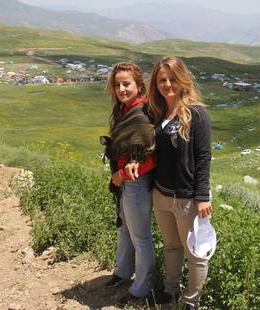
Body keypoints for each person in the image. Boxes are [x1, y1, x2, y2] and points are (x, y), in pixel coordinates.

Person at [148, 56, 212, 310]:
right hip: (161, 194)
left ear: (183, 79)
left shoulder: (197, 113)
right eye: (162, 80)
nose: (167, 84)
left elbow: (204, 156)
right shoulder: (157, 112)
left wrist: (202, 195)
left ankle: (192, 301)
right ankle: (170, 291)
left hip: (187, 197)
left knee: (194, 252)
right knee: (172, 246)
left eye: (172, 79)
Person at [103, 62, 156, 305]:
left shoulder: (142, 113)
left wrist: (122, 175)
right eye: (117, 84)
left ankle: (141, 289)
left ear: (138, 85)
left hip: (136, 183)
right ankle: (123, 272)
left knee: (141, 237)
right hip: (124, 182)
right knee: (124, 230)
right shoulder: (123, 110)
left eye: (127, 84)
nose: (122, 89)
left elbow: (151, 157)